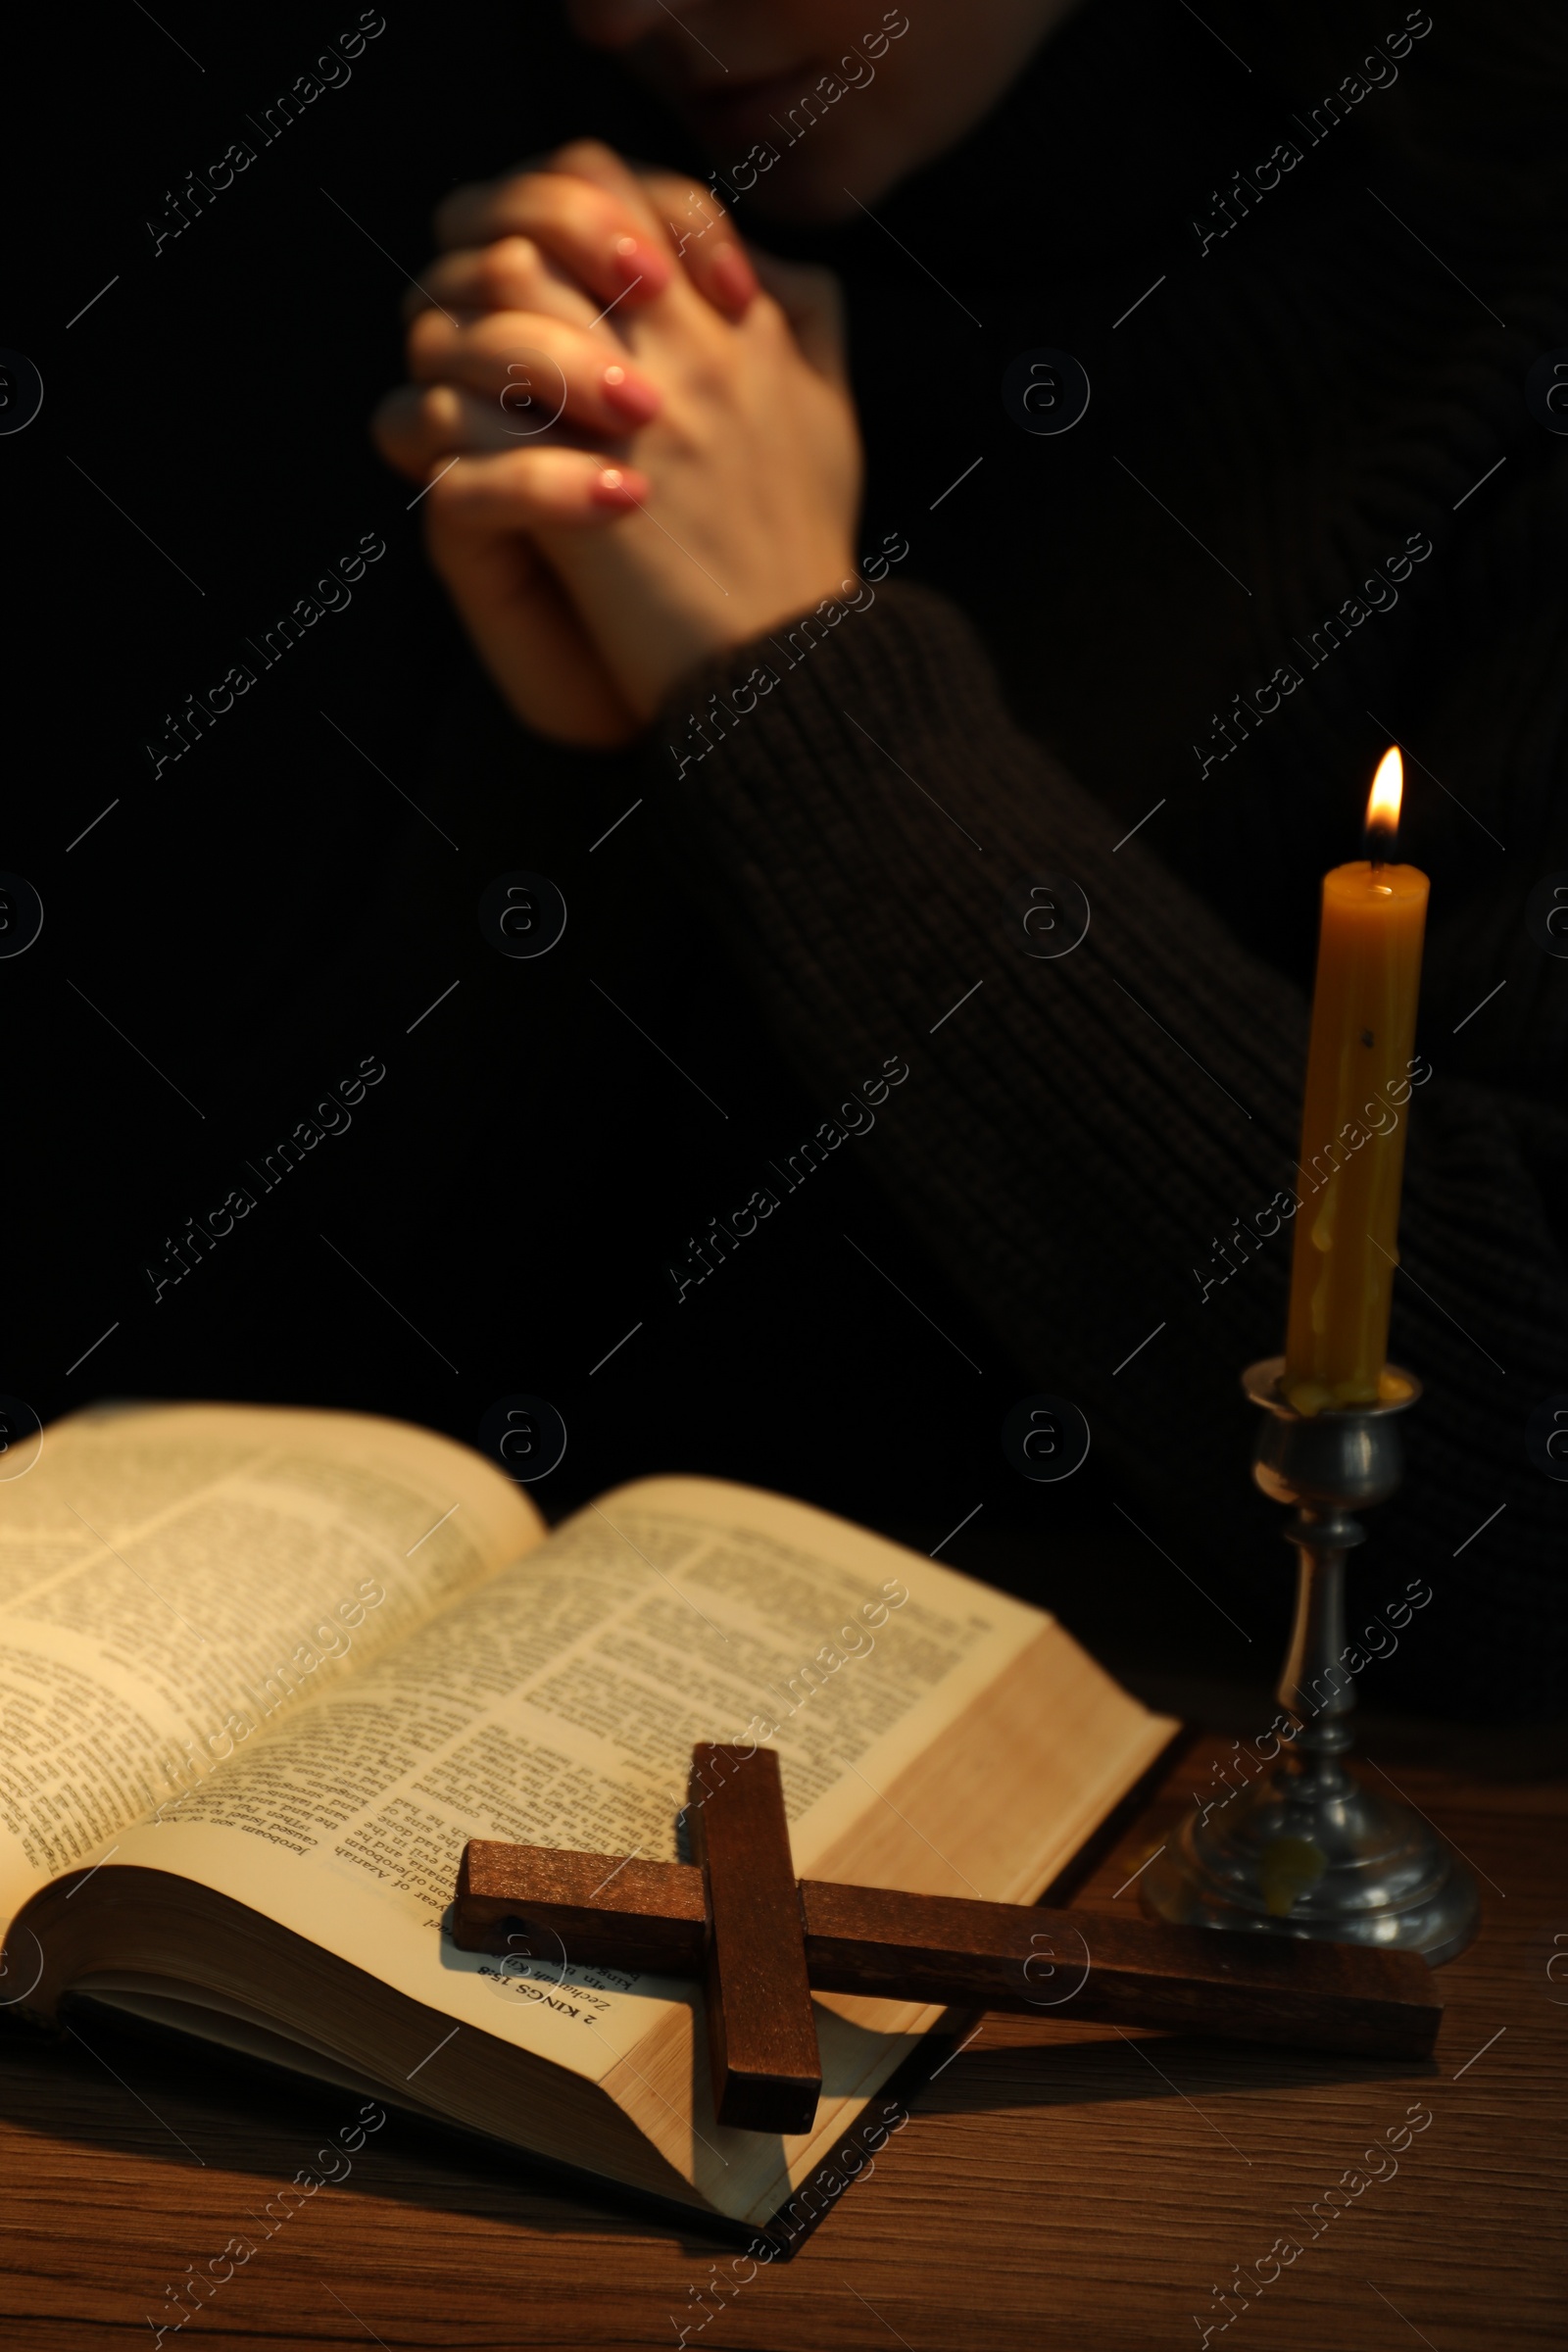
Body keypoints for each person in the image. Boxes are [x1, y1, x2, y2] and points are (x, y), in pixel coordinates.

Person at [370, 0, 1568, 1716]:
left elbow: (1512, 1503)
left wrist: (795, 688)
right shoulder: (596, 256)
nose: (623, 9)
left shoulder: (1499, 308)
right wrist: (588, 779)